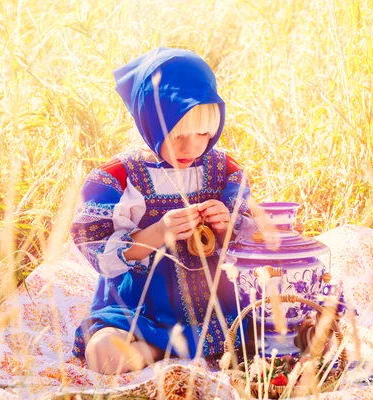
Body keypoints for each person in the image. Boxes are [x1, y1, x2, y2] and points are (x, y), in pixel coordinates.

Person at [70, 48, 251, 374]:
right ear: (149, 123)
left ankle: (189, 346)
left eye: (204, 133)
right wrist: (159, 233)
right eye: (177, 135)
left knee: (286, 327)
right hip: (141, 308)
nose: (192, 147)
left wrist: (226, 226)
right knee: (103, 352)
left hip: (216, 302)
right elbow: (97, 247)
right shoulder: (121, 177)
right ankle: (161, 346)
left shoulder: (224, 169)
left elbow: (251, 235)